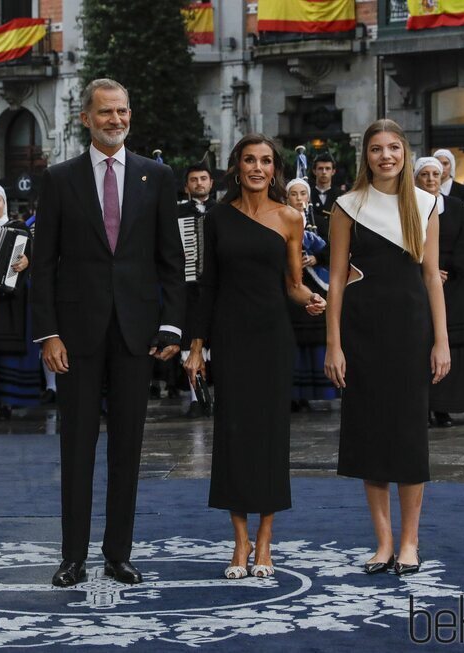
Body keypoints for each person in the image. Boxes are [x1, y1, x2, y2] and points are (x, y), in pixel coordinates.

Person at [31, 78, 185, 588]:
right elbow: (44, 265)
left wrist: (171, 324)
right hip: (74, 336)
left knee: (127, 448)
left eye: (122, 111)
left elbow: (172, 260)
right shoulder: (58, 179)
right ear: (86, 118)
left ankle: (119, 553)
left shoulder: (157, 176)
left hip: (136, 334)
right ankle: (72, 556)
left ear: (130, 115)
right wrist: (49, 334)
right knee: (75, 448)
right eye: (105, 113)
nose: (115, 120)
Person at [184, 135, 326, 579]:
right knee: (232, 436)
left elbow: (293, 283)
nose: (258, 168)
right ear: (237, 167)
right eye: (250, 160)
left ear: (275, 168)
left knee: (269, 438)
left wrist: (312, 300)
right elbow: (208, 286)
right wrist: (195, 346)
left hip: (272, 338)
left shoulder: (290, 217)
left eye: (266, 161)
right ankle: (239, 541)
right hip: (230, 338)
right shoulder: (218, 218)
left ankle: (265, 541)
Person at [324, 119, 449, 577]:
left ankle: (411, 541)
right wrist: (333, 344)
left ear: (405, 152)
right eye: (377, 149)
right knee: (370, 435)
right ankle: (383, 543)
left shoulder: (426, 202)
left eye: (393, 148)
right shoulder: (346, 205)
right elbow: (336, 279)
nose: (386, 156)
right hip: (361, 331)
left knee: (409, 436)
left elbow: (432, 277)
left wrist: (442, 340)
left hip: (411, 330)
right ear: (366, 155)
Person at [414, 157, 464, 426]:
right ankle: (423, 406)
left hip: (453, 287)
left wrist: (447, 272)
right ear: (416, 178)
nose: (431, 179)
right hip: (419, 284)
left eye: (435, 174)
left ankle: (444, 406)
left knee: (450, 344)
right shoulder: (407, 207)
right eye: (425, 175)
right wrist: (426, 272)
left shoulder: (456, 208)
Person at [0, 183, 42, 420]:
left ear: (4, 203)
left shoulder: (19, 229)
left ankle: (8, 403)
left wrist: (27, 262)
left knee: (7, 351)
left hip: (11, 301)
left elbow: (32, 257)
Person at [285, 177, 336, 409]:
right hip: (291, 288)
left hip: (316, 288)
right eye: (293, 194)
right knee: (294, 342)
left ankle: (319, 390)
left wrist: (316, 258)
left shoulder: (320, 222)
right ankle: (296, 395)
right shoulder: (282, 220)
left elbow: (335, 248)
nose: (298, 198)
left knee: (316, 338)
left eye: (302, 194)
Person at [177, 164, 217, 418]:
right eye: (194, 179)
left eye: (203, 179)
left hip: (218, 288)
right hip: (188, 287)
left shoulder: (223, 211)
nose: (199, 183)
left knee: (216, 341)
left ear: (211, 183)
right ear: (187, 186)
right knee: (190, 340)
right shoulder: (177, 213)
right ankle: (196, 398)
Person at [311, 152, 340, 227]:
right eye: (320, 168)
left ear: (333, 171)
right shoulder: (307, 194)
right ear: (314, 171)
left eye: (327, 168)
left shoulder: (341, 196)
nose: (324, 172)